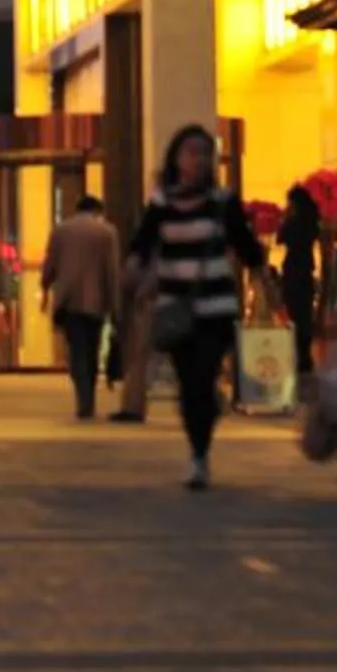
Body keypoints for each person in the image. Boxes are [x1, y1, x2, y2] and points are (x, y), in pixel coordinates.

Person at [125, 126, 266, 491]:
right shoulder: (161, 203)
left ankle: (200, 455)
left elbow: (247, 246)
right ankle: (198, 445)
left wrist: (267, 284)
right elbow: (143, 243)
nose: (198, 159)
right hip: (176, 311)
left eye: (205, 153)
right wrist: (133, 272)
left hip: (216, 308)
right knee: (189, 385)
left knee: (202, 375)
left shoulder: (223, 201)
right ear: (176, 158)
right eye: (191, 152)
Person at [42, 194, 120, 421]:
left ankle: (83, 398)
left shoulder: (60, 231)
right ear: (98, 210)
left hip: (69, 300)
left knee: (76, 350)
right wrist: (115, 305)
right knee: (92, 349)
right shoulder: (107, 233)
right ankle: (89, 399)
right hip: (96, 301)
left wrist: (45, 287)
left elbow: (51, 265)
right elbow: (112, 271)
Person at [277, 181, 323, 380]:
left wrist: (285, 218)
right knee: (304, 314)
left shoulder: (295, 222)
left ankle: (299, 355)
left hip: (294, 272)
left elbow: (280, 237)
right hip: (305, 272)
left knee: (295, 314)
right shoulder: (311, 222)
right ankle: (304, 356)